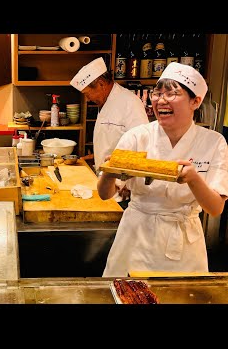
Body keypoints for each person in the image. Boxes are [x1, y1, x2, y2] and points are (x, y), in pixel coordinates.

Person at [98, 62, 228, 277]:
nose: (160, 100)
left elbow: (215, 208)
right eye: (157, 93)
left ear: (195, 101)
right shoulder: (137, 136)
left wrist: (194, 179)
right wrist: (109, 173)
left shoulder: (214, 142)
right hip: (136, 235)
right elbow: (105, 194)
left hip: (184, 242)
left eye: (172, 93)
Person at [71, 57, 149, 204]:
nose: (87, 99)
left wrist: (122, 183)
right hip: (106, 185)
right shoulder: (106, 102)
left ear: (100, 84)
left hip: (122, 191)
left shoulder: (129, 103)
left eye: (88, 94)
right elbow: (111, 143)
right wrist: (87, 159)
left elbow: (142, 149)